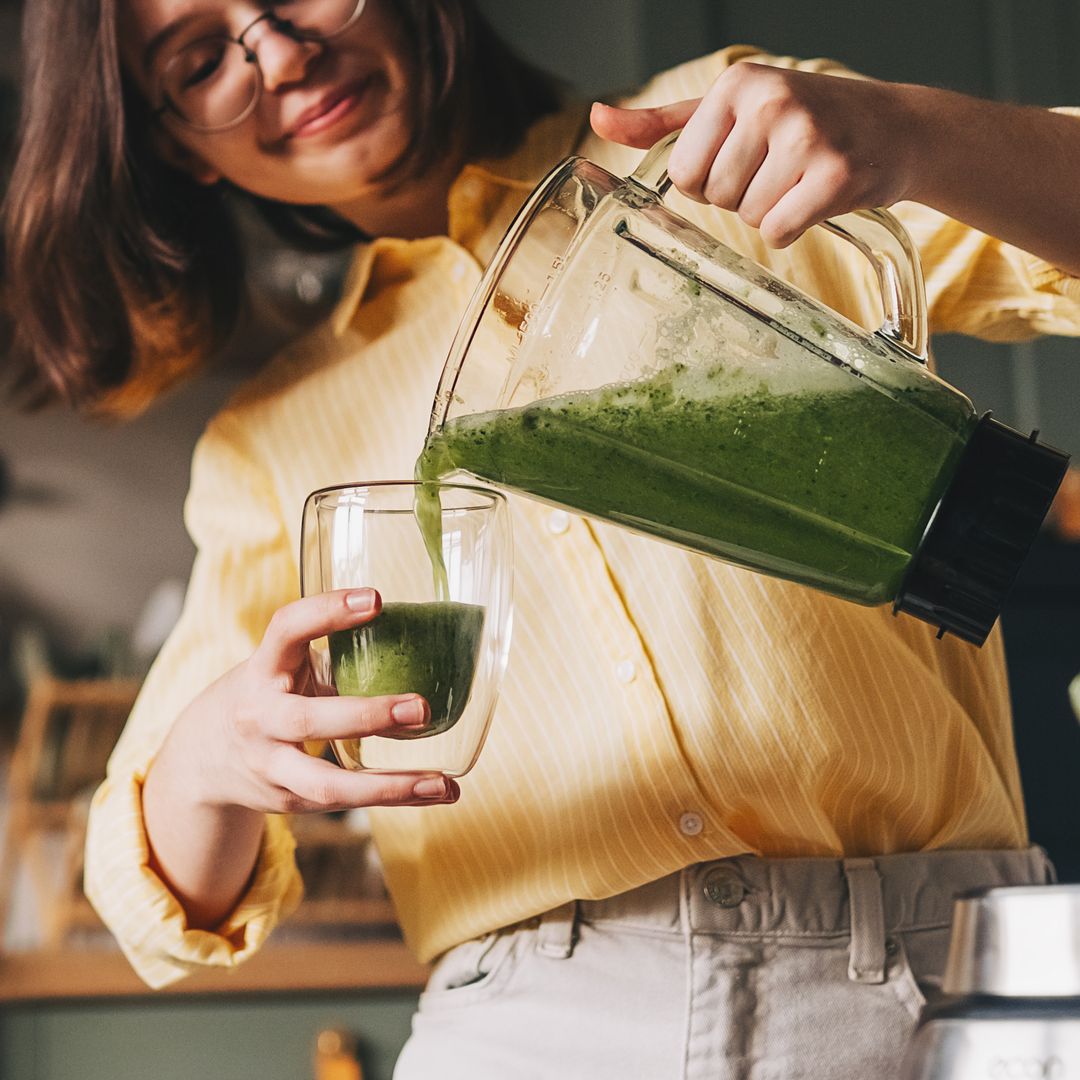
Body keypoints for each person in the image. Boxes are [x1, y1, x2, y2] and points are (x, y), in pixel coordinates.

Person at [7, 1, 1080, 1075]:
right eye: (200, 62)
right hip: (539, 1025)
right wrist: (207, 759)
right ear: (173, 145)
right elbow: (157, 900)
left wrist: (917, 135)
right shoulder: (270, 444)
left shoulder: (719, 143)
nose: (282, 54)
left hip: (941, 970)